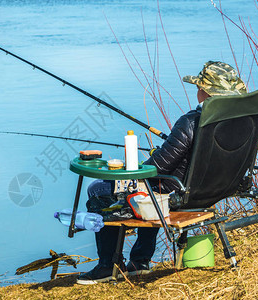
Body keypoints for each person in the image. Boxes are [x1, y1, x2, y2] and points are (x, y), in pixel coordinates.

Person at [77, 61, 248, 285]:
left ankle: (108, 266)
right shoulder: (241, 121)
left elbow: (155, 168)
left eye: (198, 86)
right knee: (152, 189)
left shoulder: (190, 122)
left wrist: (132, 168)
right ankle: (139, 262)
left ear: (204, 92)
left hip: (176, 196)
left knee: (98, 189)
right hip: (212, 192)